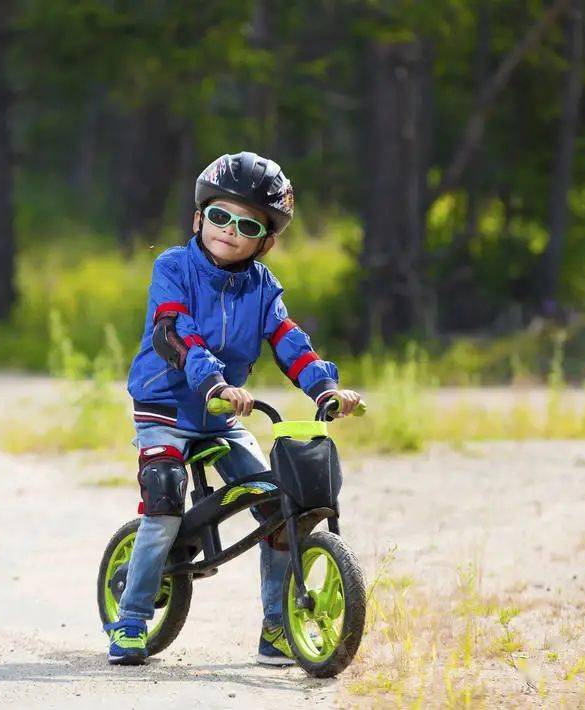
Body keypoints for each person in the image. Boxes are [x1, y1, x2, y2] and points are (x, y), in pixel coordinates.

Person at [106, 151, 361, 665]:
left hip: (219, 414)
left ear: (265, 241)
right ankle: (131, 618)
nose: (230, 230)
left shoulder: (264, 288)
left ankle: (276, 627)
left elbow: (291, 343)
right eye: (220, 216)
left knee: (277, 505)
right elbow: (174, 332)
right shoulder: (173, 267)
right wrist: (215, 382)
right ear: (199, 217)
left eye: (247, 224)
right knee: (163, 502)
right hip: (165, 406)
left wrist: (325, 388)